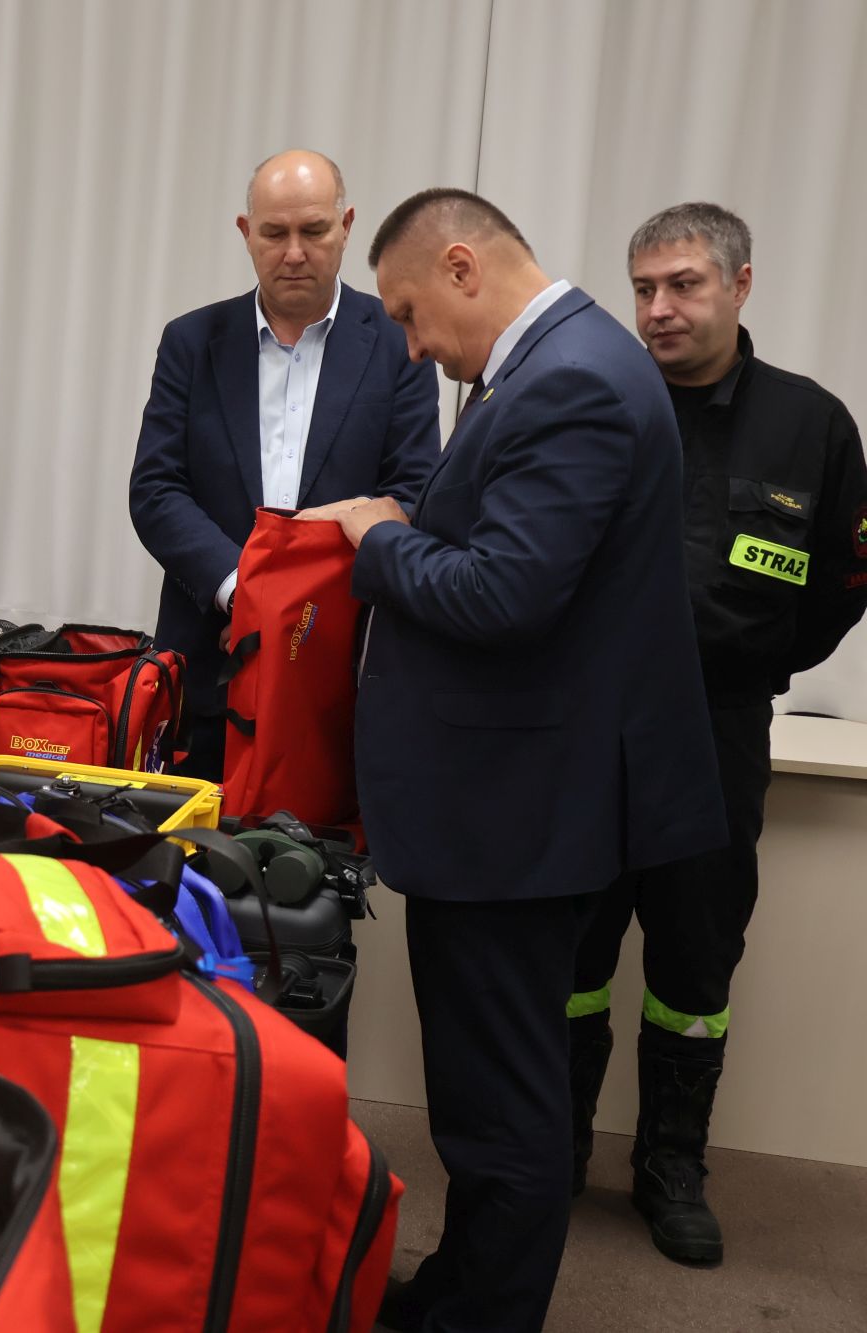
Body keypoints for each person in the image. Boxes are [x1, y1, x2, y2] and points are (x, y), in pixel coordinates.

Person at [303, 188, 725, 1332]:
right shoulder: (560, 364)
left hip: (511, 814)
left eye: (405, 314)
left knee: (500, 1102)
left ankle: (480, 1315)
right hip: (513, 802)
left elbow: (501, 593)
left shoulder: (568, 381)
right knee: (490, 1088)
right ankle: (462, 1288)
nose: (408, 346)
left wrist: (380, 539)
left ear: (459, 267)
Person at [567, 203, 867, 1264]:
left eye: (683, 284)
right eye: (643, 287)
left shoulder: (809, 423)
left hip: (717, 731)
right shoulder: (590, 400)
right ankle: (557, 1143)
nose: (658, 308)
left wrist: (752, 661)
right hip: (586, 732)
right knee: (569, 949)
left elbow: (842, 580)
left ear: (739, 286)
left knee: (696, 962)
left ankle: (670, 1164)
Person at [128, 149, 439, 779]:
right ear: (246, 233)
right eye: (274, 233)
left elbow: (410, 494)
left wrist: (291, 606)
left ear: (346, 227)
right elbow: (156, 489)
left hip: (341, 667)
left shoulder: (397, 339)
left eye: (313, 230)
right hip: (207, 668)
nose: (294, 253)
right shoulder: (191, 341)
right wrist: (246, 595)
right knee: (192, 835)